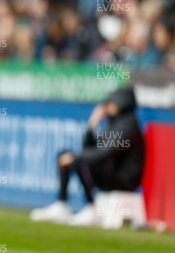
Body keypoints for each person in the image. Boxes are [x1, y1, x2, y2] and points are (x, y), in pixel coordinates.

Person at [30, 86, 145, 225]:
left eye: (111, 102)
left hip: (123, 180)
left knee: (80, 161)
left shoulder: (129, 126)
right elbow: (90, 148)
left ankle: (92, 208)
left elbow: (104, 153)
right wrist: (92, 124)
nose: (107, 106)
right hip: (110, 173)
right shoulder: (114, 124)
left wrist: (76, 158)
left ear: (122, 102)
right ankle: (62, 204)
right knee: (65, 155)